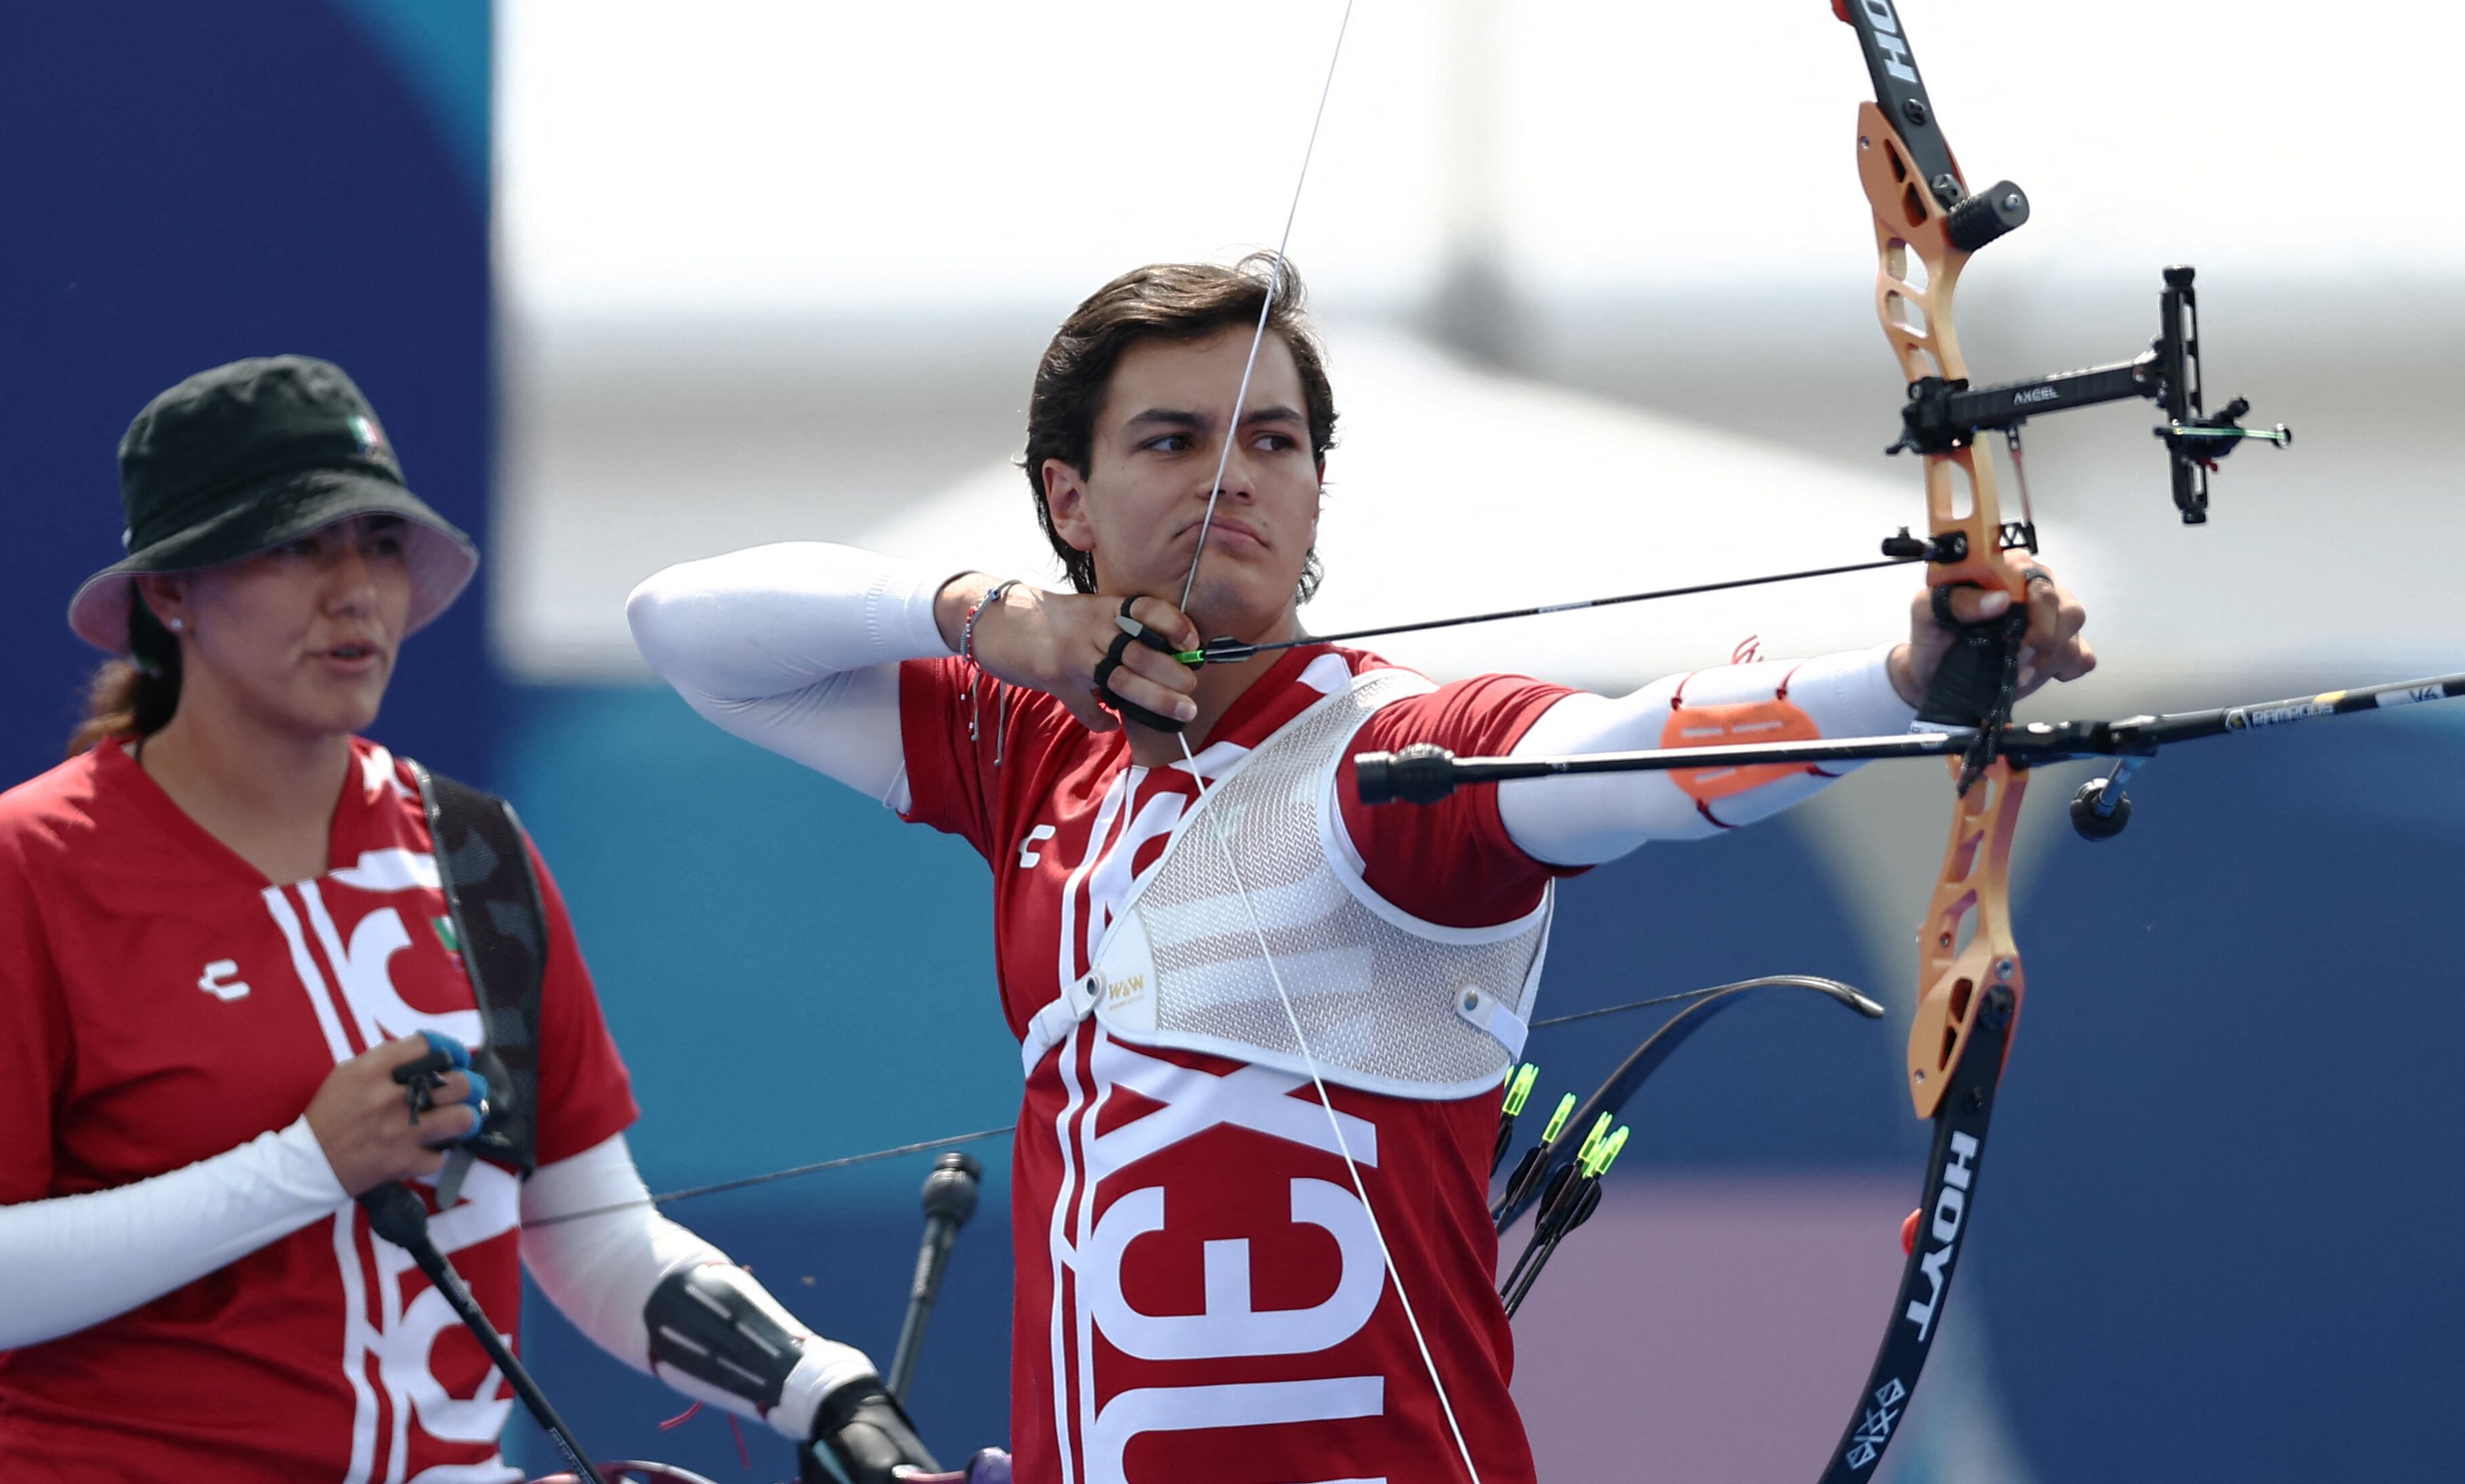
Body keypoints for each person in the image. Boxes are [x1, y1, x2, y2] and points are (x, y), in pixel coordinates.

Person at [626, 256, 2097, 1484]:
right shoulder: (1030, 750)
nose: (1236, 476)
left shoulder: (1389, 755)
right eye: (1174, 439)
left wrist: (1905, 678)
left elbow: (1626, 752)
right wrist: (981, 616)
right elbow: (685, 633)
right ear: (1067, 501)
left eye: (1275, 441)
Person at [0, 357, 935, 1483]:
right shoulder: (27, 869)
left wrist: (827, 1390)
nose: (355, 589)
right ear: (171, 595)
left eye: (382, 545)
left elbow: (595, 1235)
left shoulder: (475, 853)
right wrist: (305, 1164)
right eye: (298, 544)